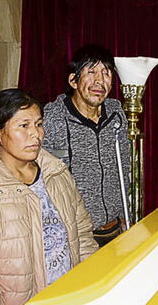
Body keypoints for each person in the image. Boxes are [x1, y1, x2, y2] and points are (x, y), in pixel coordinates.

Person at [0, 88, 97, 304]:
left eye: (39, 124)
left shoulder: (57, 174)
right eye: (23, 125)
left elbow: (83, 237)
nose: (36, 134)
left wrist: (90, 289)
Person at [43, 44, 131, 247]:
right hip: (74, 233)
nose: (99, 81)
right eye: (91, 72)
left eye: (106, 73)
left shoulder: (117, 115)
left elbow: (124, 167)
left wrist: (124, 213)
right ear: (73, 80)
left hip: (113, 229)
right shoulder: (52, 119)